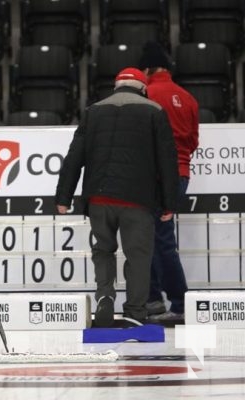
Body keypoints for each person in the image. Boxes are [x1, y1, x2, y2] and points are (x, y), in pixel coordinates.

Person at [55, 67, 179, 327]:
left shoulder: (94, 111)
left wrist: (63, 197)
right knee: (138, 256)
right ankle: (134, 311)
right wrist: (170, 202)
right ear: (143, 88)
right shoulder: (154, 111)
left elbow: (74, 157)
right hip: (138, 200)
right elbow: (167, 161)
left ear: (116, 86)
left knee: (103, 251)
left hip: (99, 199)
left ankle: (105, 298)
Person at [139, 41, 199, 321]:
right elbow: (193, 142)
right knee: (155, 237)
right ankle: (154, 302)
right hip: (181, 174)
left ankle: (179, 303)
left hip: (155, 175)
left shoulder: (146, 94)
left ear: (148, 68)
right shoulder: (188, 98)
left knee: (155, 239)